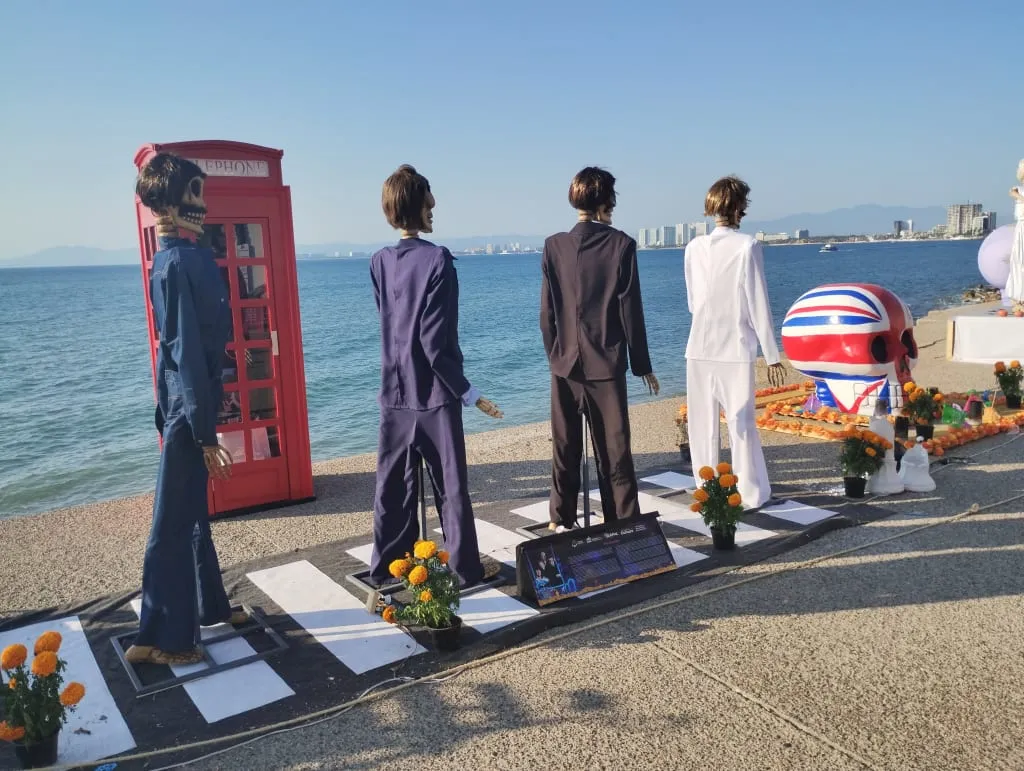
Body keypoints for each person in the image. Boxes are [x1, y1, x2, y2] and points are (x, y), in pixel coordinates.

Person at [127, 153, 245, 666]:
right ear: (169, 204)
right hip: (188, 410)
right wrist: (201, 431)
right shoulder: (177, 262)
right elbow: (183, 351)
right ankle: (161, 637)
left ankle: (210, 605)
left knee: (194, 514)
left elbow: (168, 352)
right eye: (194, 193)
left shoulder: (185, 258)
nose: (203, 203)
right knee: (170, 523)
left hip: (190, 403)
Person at [368, 164, 503, 589]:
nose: (434, 204)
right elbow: (434, 342)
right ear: (415, 202)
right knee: (450, 487)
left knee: (392, 489)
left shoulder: (378, 262)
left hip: (394, 391)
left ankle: (391, 567)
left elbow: (391, 325)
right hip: (434, 395)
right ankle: (464, 569)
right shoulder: (438, 259)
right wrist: (470, 392)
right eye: (428, 196)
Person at [540, 167, 659, 532]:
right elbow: (629, 311)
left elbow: (547, 314)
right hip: (605, 365)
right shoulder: (621, 245)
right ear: (607, 202)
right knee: (615, 453)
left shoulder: (554, 245)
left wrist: (555, 356)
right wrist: (642, 365)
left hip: (564, 366)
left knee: (565, 448)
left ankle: (561, 521)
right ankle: (623, 525)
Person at [683, 176, 785, 510]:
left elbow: (693, 301)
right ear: (739, 206)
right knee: (741, 426)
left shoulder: (693, 247)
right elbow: (758, 302)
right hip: (735, 346)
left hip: (699, 345)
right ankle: (750, 492)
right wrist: (771, 354)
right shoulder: (748, 246)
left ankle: (707, 489)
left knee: (702, 425)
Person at [1005, 159, 1024, 311]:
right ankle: (1018, 297)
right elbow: (1012, 194)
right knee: (1019, 261)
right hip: (1022, 227)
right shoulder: (1016, 189)